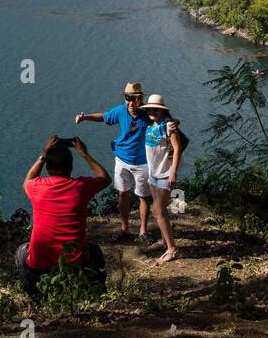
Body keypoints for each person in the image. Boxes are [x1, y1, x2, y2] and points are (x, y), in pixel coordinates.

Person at [16, 135, 110, 300]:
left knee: (21, 251)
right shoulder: (80, 187)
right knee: (93, 249)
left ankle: (34, 294)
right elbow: (104, 178)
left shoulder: (37, 187)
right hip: (75, 264)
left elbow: (27, 180)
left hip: (40, 264)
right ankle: (96, 292)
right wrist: (85, 154)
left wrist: (43, 154)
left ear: (46, 167)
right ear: (71, 167)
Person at [74, 82, 153, 244]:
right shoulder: (121, 111)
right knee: (123, 194)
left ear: (141, 99)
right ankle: (124, 229)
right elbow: (104, 116)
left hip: (142, 162)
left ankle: (143, 231)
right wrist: (85, 117)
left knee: (143, 197)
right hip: (122, 159)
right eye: (127, 98)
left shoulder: (149, 114)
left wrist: (173, 124)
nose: (130, 102)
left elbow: (165, 120)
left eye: (134, 99)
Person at [140, 93, 185, 264]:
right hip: (154, 174)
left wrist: (173, 172)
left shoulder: (169, 126)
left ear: (162, 111)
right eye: (150, 108)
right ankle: (165, 241)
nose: (152, 111)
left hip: (166, 174)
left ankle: (172, 249)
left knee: (157, 211)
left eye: (156, 109)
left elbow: (177, 148)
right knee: (161, 210)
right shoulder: (152, 125)